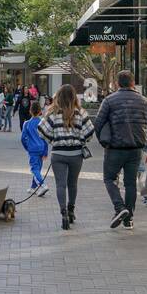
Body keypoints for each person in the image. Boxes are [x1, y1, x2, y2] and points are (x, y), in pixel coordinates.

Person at [93, 69, 147, 231]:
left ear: (117, 83)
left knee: (109, 179)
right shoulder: (144, 101)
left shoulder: (109, 100)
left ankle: (120, 208)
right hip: (136, 149)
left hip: (114, 148)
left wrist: (103, 141)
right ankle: (129, 220)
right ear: (133, 83)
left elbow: (98, 124)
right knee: (130, 184)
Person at [39, 84, 95, 231]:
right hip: (76, 154)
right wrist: (81, 140)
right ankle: (71, 210)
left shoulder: (52, 112)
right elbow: (90, 133)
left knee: (60, 185)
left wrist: (53, 140)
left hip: (58, 154)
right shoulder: (81, 112)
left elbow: (41, 130)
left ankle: (63, 212)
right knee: (73, 184)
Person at [20, 100, 50, 198]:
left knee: (34, 169)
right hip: (41, 148)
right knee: (38, 168)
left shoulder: (26, 124)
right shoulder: (43, 122)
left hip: (32, 150)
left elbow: (22, 139)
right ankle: (33, 187)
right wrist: (45, 151)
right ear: (40, 111)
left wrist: (27, 147)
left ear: (30, 111)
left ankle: (43, 185)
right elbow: (46, 138)